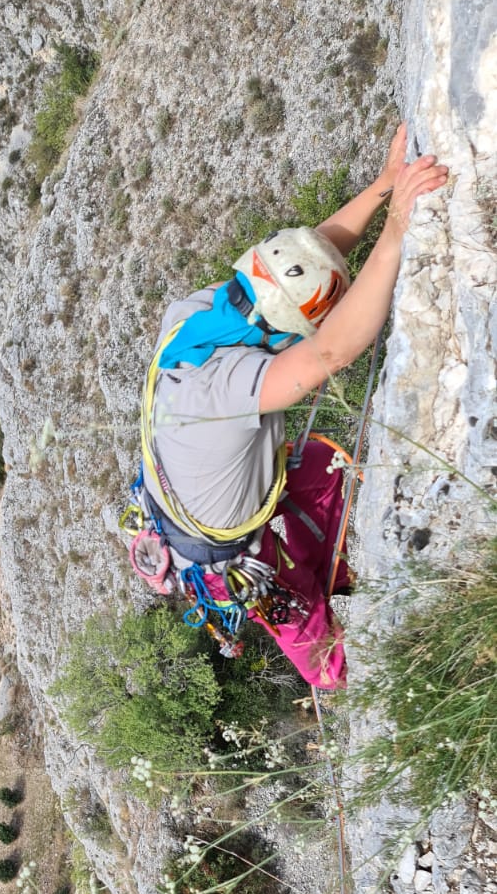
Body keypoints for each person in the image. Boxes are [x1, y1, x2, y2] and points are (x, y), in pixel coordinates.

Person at [138, 126, 449, 688]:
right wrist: (398, 227)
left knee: (327, 471)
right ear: (285, 337)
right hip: (222, 557)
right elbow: (332, 349)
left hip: (199, 506)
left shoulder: (203, 311)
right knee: (315, 640)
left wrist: (384, 187)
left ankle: (350, 566)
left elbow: (300, 267)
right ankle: (366, 684)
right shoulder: (230, 385)